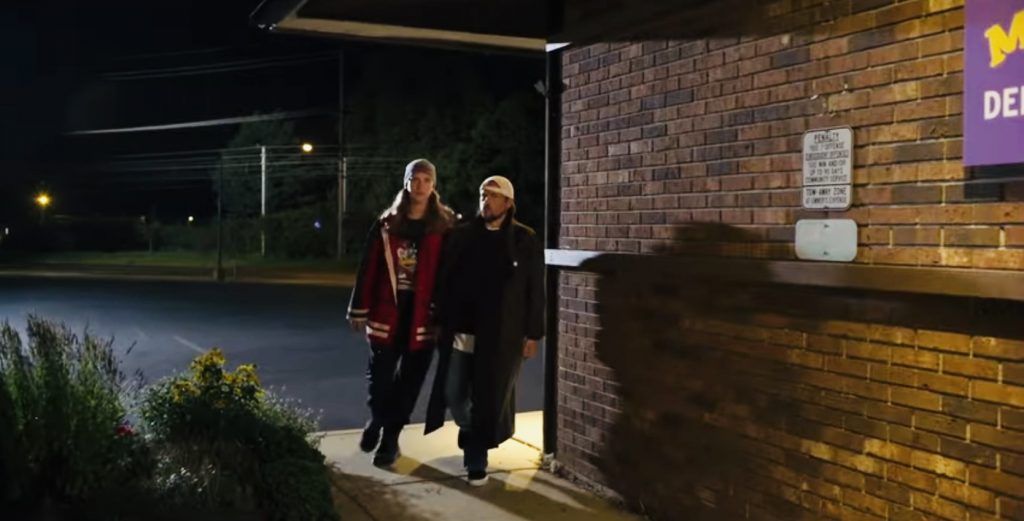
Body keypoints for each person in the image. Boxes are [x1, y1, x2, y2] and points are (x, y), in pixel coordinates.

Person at [425, 175, 544, 486]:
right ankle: (474, 431)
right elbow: (444, 280)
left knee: (487, 396)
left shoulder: (523, 239)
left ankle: (476, 457)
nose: (486, 200)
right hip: (461, 331)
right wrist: (438, 319)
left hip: (501, 334)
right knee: (453, 394)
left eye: (493, 195)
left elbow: (534, 289)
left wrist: (533, 334)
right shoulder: (462, 235)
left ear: (508, 202)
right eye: (483, 194)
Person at [348, 158, 455, 468]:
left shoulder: (445, 226)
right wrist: (359, 308)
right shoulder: (387, 223)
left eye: (426, 180)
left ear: (433, 185)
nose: (420, 185)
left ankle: (390, 439)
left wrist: (446, 313)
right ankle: (377, 419)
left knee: (409, 383)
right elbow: (368, 267)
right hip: (387, 312)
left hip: (424, 317)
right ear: (406, 183)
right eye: (414, 179)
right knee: (380, 379)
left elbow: (451, 273)